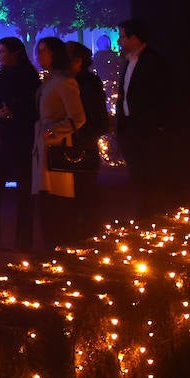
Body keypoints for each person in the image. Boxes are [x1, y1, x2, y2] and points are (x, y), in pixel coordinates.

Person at [0, 37, 41, 251]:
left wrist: (14, 113)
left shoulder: (30, 78)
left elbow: (34, 109)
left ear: (15, 53)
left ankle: (23, 240)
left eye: (3, 51)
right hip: (3, 136)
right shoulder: (3, 76)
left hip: (23, 138)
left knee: (24, 191)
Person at [30, 37, 86, 251]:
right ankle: (49, 247)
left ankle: (56, 248)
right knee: (46, 200)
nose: (39, 55)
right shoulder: (51, 80)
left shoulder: (64, 82)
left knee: (56, 201)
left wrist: (52, 131)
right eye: (39, 50)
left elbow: (77, 117)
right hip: (45, 145)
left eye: (44, 51)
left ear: (55, 54)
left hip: (55, 147)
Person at [116, 19, 174, 219]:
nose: (119, 41)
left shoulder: (152, 61)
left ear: (134, 37)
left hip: (148, 131)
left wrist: (159, 126)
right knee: (138, 176)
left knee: (152, 177)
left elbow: (163, 95)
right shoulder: (128, 61)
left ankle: (156, 219)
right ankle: (144, 217)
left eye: (123, 36)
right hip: (131, 129)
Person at [66, 40, 109, 241]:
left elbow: (96, 116)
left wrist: (83, 135)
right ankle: (81, 231)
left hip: (82, 142)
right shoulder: (71, 81)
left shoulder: (87, 83)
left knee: (85, 190)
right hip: (74, 141)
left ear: (78, 61)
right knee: (79, 191)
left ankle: (88, 232)